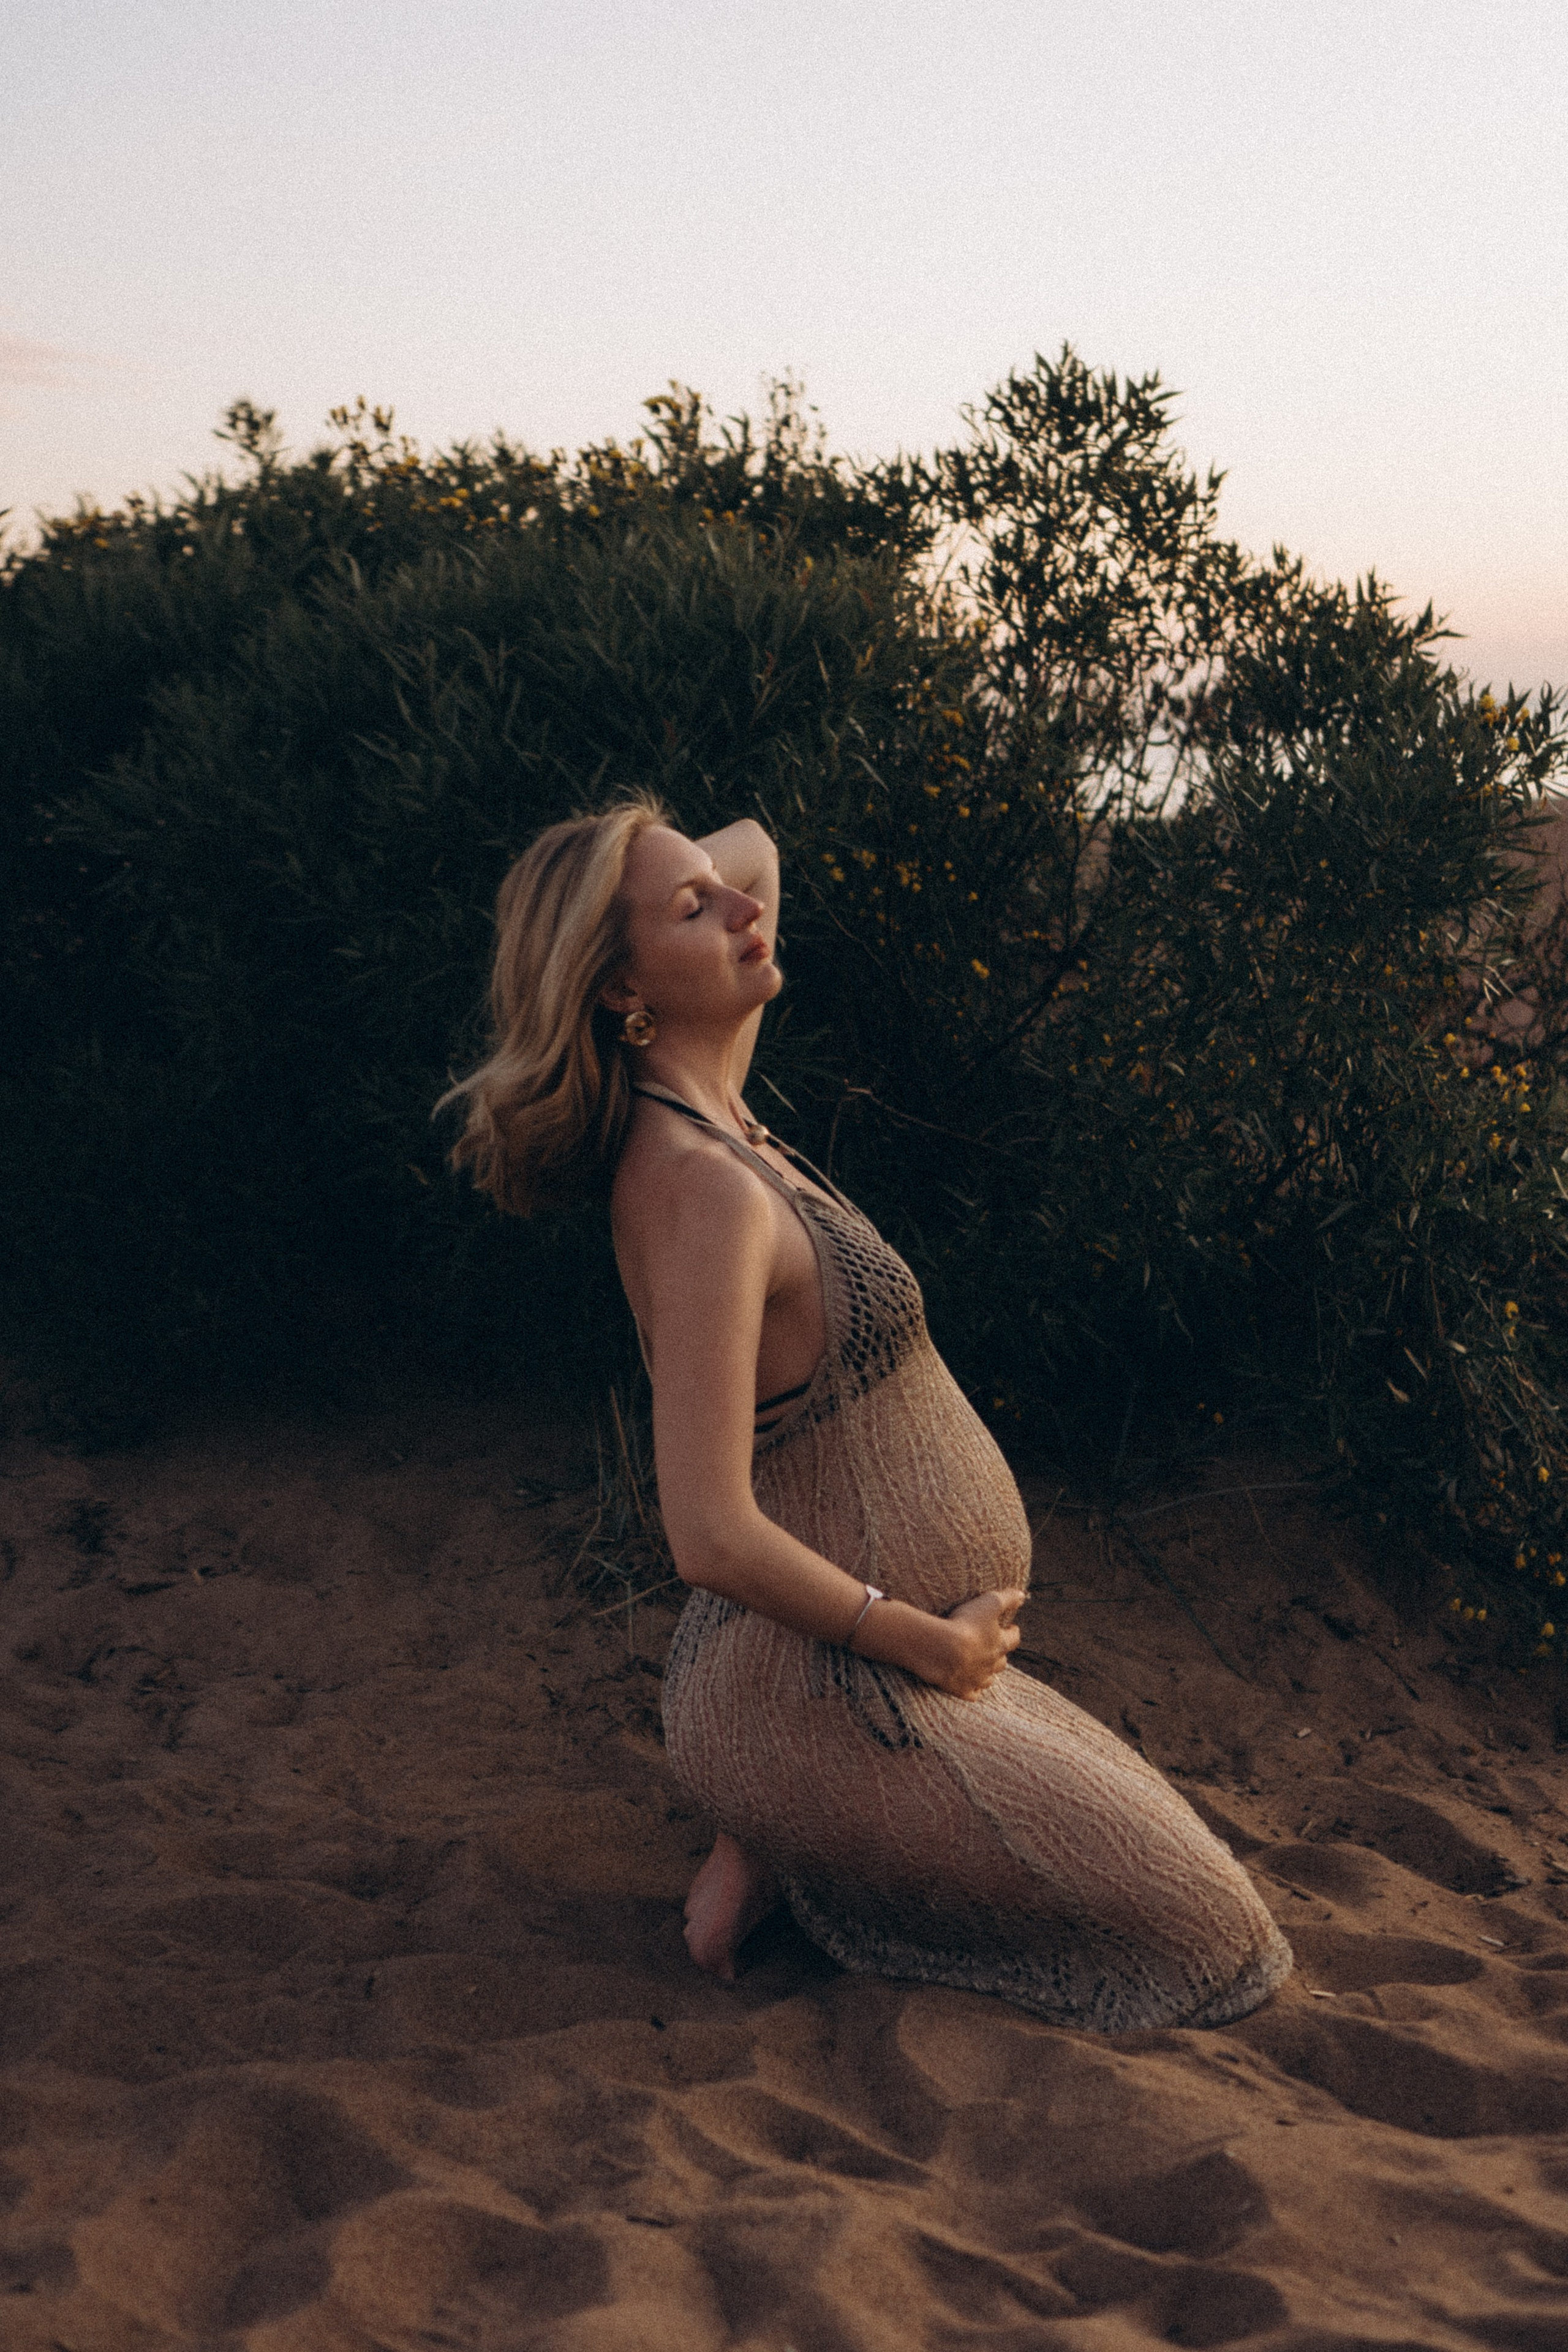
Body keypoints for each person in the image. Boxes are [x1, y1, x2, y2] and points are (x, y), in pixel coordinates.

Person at [442, 794, 1292, 2030]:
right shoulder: (699, 1192)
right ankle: (790, 1817)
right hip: (835, 1681)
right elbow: (706, 1533)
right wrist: (920, 1644)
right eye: (695, 911)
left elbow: (754, 852)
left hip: (867, 1671)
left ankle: (779, 1840)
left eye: (722, 897)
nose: (744, 908)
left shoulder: (723, 1117)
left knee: (1200, 1908)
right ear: (620, 987)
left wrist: (655, 866)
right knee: (1215, 1946)